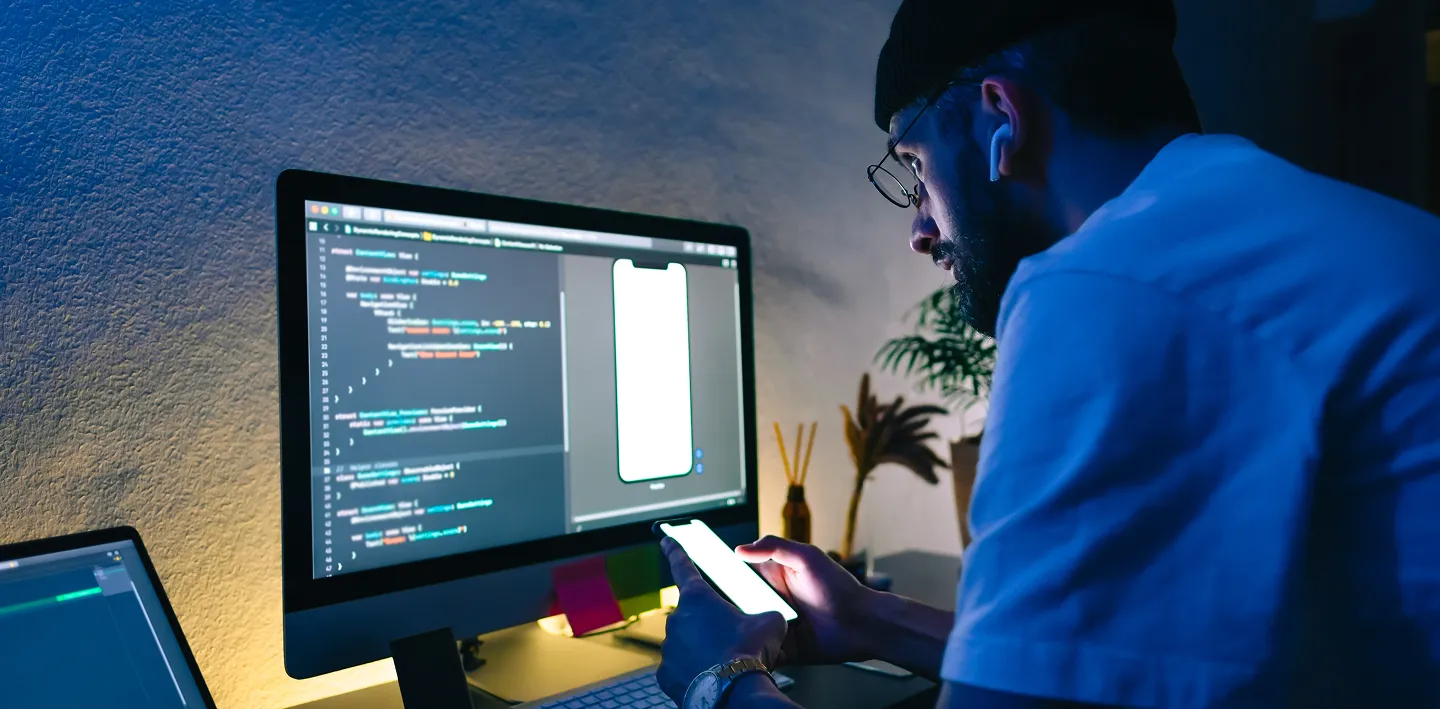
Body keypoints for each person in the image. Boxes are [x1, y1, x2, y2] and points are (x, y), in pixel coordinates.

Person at [656, 0, 1440, 707]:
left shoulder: (1118, 281)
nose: (921, 228)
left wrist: (718, 685)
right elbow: (1132, 665)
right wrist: (874, 615)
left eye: (916, 170)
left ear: (1003, 117)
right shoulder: (1278, 225)